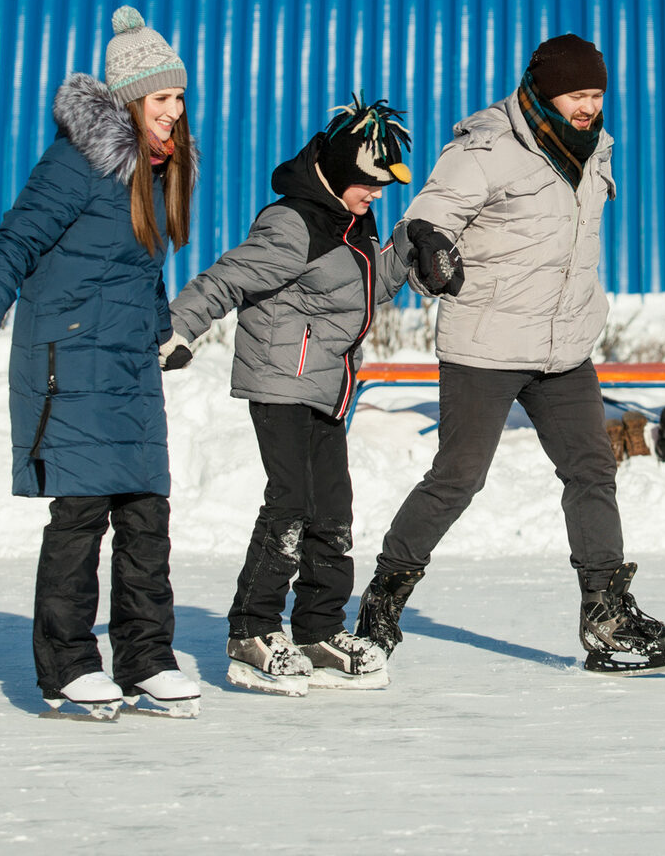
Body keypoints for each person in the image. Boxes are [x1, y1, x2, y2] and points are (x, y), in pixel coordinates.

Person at [353, 33, 665, 675]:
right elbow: (428, 215)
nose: (589, 106)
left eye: (596, 94)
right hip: (487, 343)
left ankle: (606, 614)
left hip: (564, 346)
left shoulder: (595, 149)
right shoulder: (488, 146)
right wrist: (428, 246)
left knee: (592, 471)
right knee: (458, 478)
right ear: (543, 90)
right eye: (577, 94)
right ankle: (383, 600)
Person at [0, 6, 203, 718]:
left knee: (148, 516)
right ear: (128, 100)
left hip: (126, 369)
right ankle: (68, 663)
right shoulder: (75, 163)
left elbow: (138, 268)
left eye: (178, 97)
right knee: (81, 514)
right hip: (68, 361)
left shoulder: (154, 172)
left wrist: (162, 329)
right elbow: (13, 244)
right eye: (161, 99)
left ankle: (148, 657)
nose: (174, 112)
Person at [159, 96, 463, 696]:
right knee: (291, 504)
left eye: (382, 186)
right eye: (368, 184)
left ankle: (317, 630)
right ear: (341, 174)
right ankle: (252, 631)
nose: (376, 194)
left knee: (333, 511)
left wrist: (409, 249)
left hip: (325, 386)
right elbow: (226, 278)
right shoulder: (293, 223)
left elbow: (367, 291)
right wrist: (177, 326)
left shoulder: (352, 223)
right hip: (280, 380)